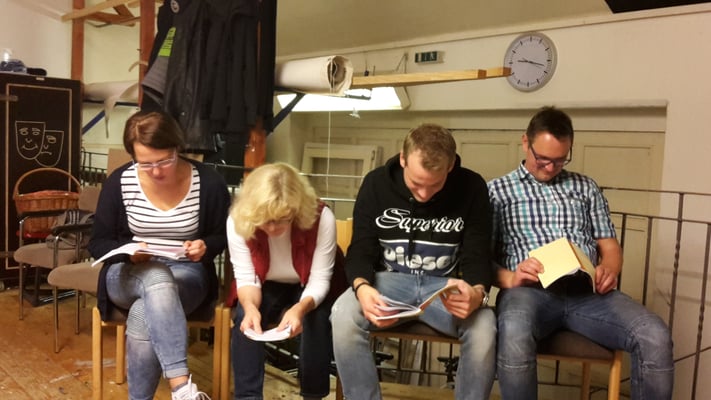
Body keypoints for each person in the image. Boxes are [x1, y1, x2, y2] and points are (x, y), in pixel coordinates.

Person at [488, 106, 674, 400]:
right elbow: (481, 261)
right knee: (513, 330)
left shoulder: (585, 187)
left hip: (588, 293)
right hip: (529, 292)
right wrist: (512, 277)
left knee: (655, 335)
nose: (550, 167)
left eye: (560, 160)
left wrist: (609, 269)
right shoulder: (496, 192)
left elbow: (609, 247)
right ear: (525, 142)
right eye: (543, 158)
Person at [331, 123, 497, 400]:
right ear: (403, 159)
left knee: (484, 328)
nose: (424, 194)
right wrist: (362, 287)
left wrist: (477, 293)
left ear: (450, 166)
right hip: (387, 284)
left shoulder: (472, 186)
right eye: (416, 184)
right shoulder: (376, 184)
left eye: (435, 185)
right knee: (342, 313)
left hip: (444, 288)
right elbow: (361, 249)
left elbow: (478, 254)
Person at [88, 111, 231, 400]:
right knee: (156, 275)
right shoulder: (119, 182)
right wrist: (129, 255)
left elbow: (222, 235)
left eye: (164, 160)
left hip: (187, 274)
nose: (155, 171)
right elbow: (98, 243)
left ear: (177, 148)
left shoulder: (208, 182)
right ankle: (181, 388)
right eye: (145, 164)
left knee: (142, 313)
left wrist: (205, 245)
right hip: (127, 273)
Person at [226, 162, 341, 400]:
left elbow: (320, 280)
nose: (272, 228)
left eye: (282, 220)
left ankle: (313, 396)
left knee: (315, 318)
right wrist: (250, 307)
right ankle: (247, 397)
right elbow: (246, 277)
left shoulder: (321, 217)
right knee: (245, 318)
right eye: (265, 220)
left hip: (312, 284)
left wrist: (300, 308)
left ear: (296, 209)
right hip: (266, 283)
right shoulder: (238, 221)